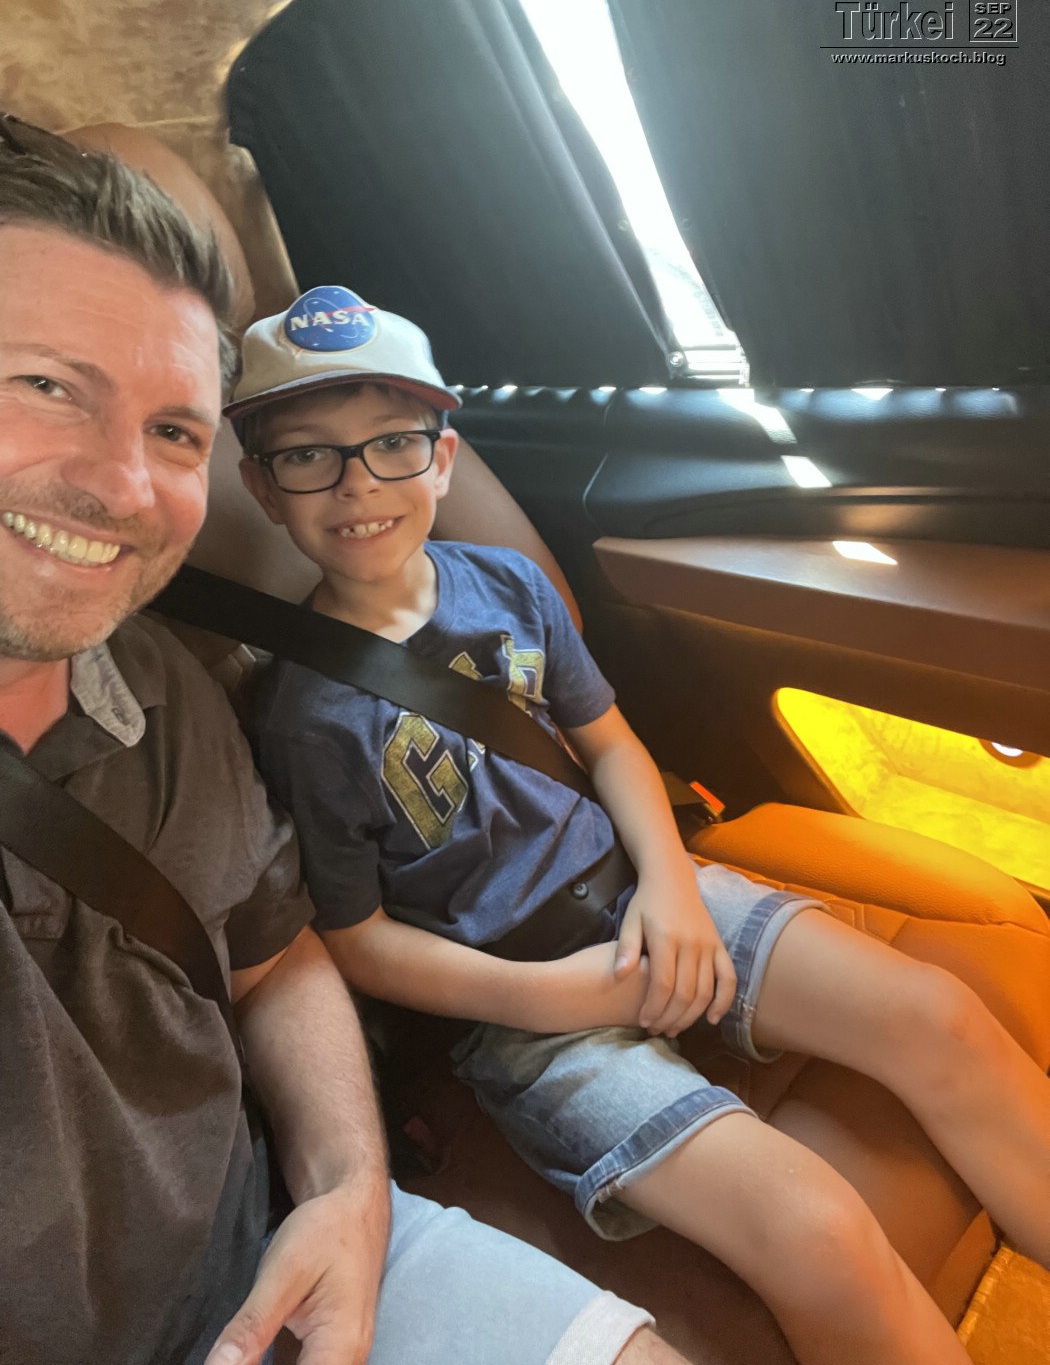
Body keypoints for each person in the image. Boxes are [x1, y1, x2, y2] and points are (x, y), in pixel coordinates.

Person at [235, 284, 1050, 1365]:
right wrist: (557, 996)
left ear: (443, 457)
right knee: (816, 1228)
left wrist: (671, 890)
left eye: (393, 443)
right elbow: (353, 939)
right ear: (262, 484)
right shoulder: (302, 714)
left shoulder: (510, 587)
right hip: (534, 1018)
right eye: (309, 456)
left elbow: (614, 745)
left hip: (643, 893)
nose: (358, 483)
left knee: (940, 1016)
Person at [0, 117, 694, 1365]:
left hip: (282, 1248)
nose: (126, 486)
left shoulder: (158, 692)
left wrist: (346, 1183)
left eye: (175, 430)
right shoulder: (298, 714)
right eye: (47, 385)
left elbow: (274, 958)